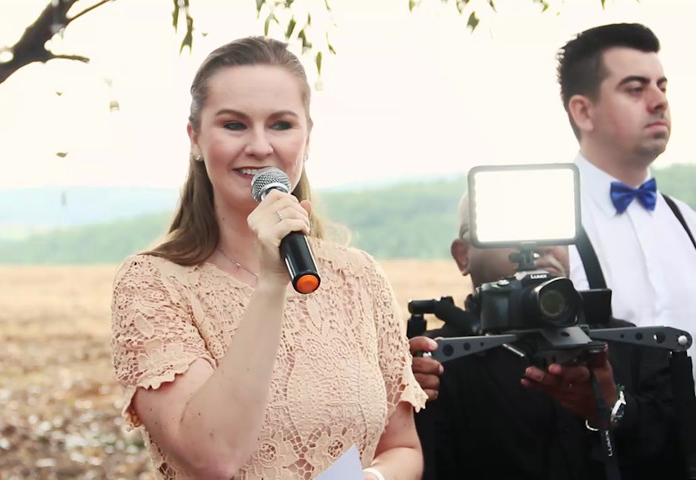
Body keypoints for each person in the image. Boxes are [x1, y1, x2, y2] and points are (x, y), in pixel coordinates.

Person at [109, 36, 427, 480]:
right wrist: (271, 283)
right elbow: (212, 456)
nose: (259, 146)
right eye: (234, 125)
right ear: (195, 139)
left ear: (307, 139)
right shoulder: (153, 285)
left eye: (280, 125)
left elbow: (403, 447)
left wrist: (364, 479)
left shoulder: (359, 276)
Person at [411, 193, 683, 480]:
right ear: (463, 255)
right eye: (509, 228)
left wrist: (611, 407)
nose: (538, 245)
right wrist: (405, 401)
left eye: (551, 227)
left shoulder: (630, 344)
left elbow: (679, 453)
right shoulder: (437, 361)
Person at [556, 23, 696, 381]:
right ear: (583, 112)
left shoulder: (686, 221)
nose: (659, 100)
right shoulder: (551, 230)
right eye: (635, 89)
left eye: (662, 86)